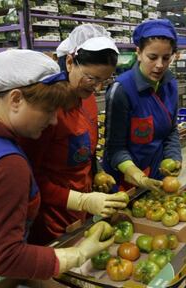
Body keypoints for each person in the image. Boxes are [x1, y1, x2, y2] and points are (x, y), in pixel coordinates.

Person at [0, 50, 114, 287]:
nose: (54, 121)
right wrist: (76, 255)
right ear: (15, 99)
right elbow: (4, 257)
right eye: (48, 111)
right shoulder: (4, 164)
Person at [18, 24, 127, 246]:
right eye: (91, 78)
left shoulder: (87, 100)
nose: (97, 88)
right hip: (50, 221)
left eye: (104, 81)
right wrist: (80, 200)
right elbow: (30, 178)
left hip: (80, 216)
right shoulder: (47, 110)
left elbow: (86, 150)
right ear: (69, 62)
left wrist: (95, 173)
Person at [103, 19, 182, 193]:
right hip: (125, 181)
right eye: (152, 57)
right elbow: (114, 148)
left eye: (166, 58)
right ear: (139, 53)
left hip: (158, 176)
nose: (160, 65)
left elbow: (171, 130)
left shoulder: (171, 85)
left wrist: (174, 158)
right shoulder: (122, 90)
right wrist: (135, 174)